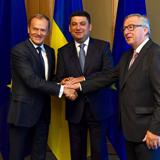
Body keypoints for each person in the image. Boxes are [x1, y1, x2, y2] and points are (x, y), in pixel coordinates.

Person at [67, 14, 160, 160]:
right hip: (130, 130)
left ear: (146, 30)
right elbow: (107, 77)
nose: (126, 32)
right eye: (124, 28)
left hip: (148, 132)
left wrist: (155, 130)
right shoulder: (126, 56)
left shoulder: (156, 54)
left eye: (131, 27)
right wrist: (79, 84)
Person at [56, 11, 126, 160]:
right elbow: (59, 77)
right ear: (69, 28)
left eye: (82, 24)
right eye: (74, 24)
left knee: (99, 152)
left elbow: (108, 75)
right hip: (75, 108)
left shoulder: (103, 47)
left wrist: (81, 80)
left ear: (90, 27)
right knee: (76, 152)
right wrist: (65, 84)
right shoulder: (62, 51)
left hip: (99, 108)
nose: (78, 27)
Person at [7, 14, 76, 160]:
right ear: (28, 29)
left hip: (43, 112)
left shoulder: (50, 52)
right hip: (23, 112)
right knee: (16, 155)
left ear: (48, 31)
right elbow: (31, 80)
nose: (39, 33)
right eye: (35, 29)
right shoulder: (19, 51)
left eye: (43, 30)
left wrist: (63, 82)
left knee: (39, 154)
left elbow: (47, 79)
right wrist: (62, 90)